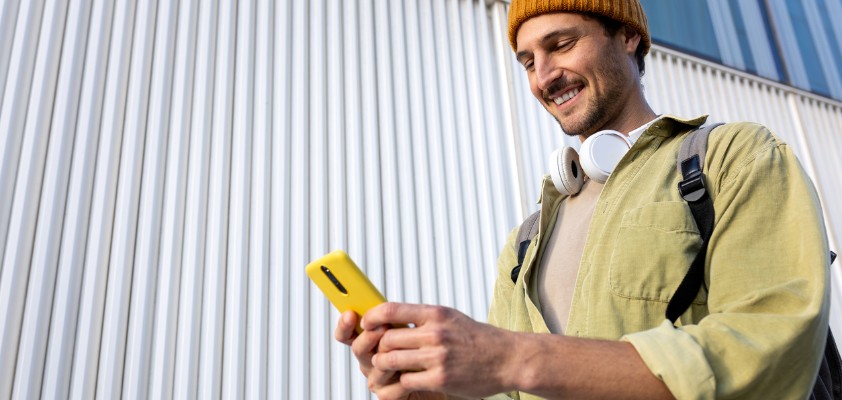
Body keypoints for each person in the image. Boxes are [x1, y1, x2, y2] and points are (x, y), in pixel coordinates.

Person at [335, 1, 831, 399]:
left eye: (562, 44)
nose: (543, 76)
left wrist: (514, 357)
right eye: (528, 61)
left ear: (628, 36)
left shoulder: (732, 157)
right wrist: (428, 392)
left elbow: (768, 347)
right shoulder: (526, 241)